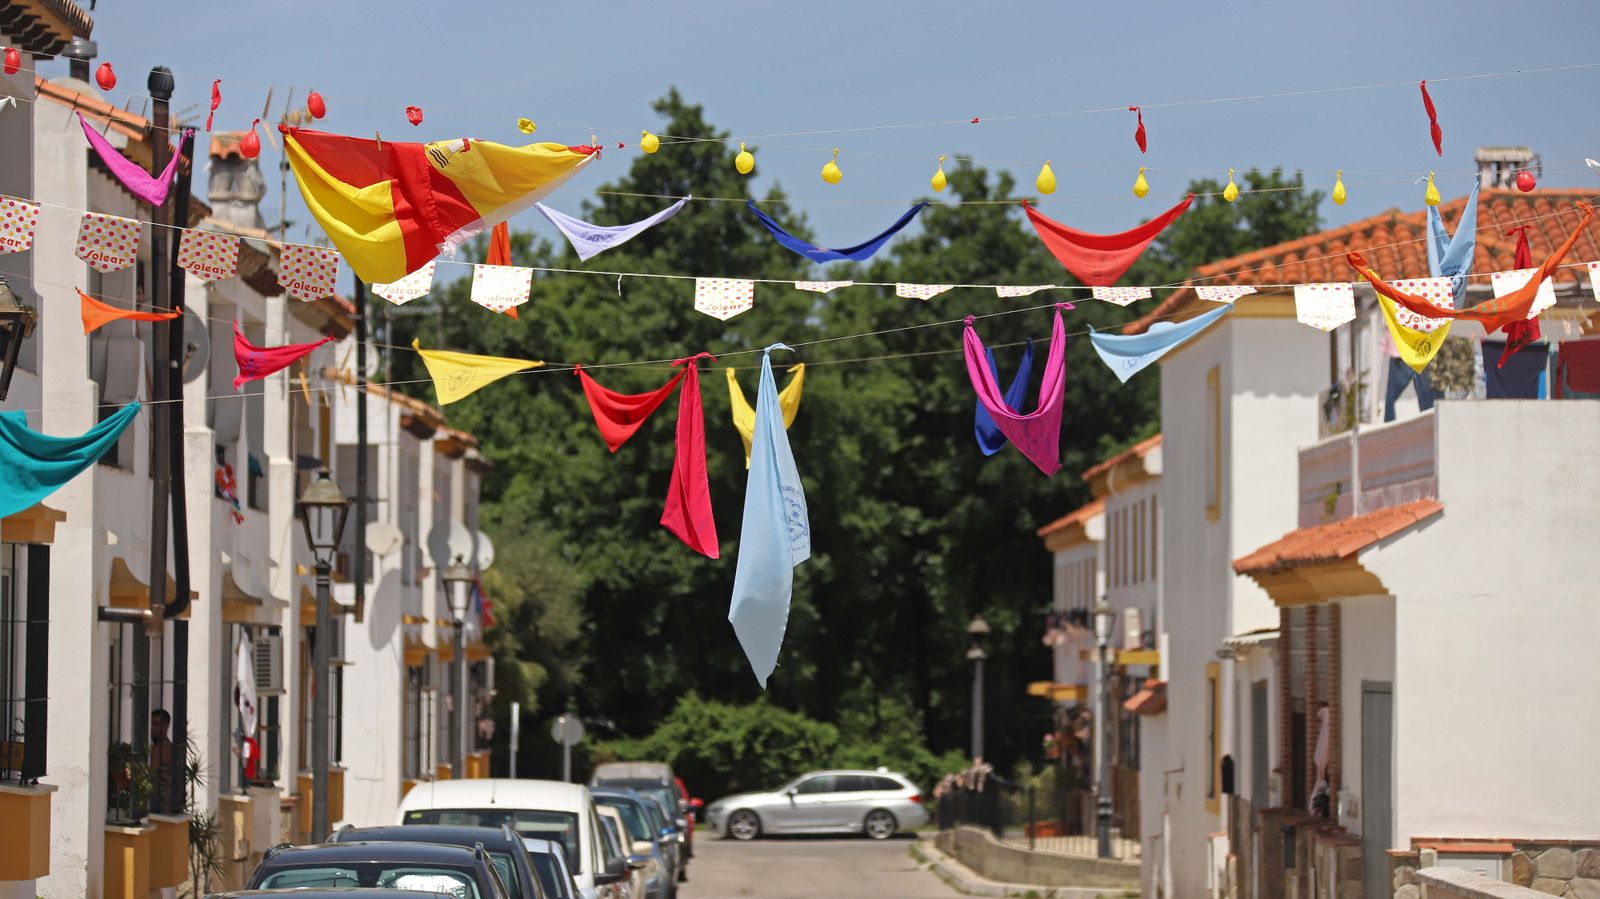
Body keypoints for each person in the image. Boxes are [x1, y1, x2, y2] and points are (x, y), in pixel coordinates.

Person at [150, 709, 174, 813]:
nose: (152, 728)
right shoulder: (167, 745)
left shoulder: (161, 748)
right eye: (151, 723)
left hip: (159, 804)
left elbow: (150, 773)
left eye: (156, 724)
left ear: (166, 726)